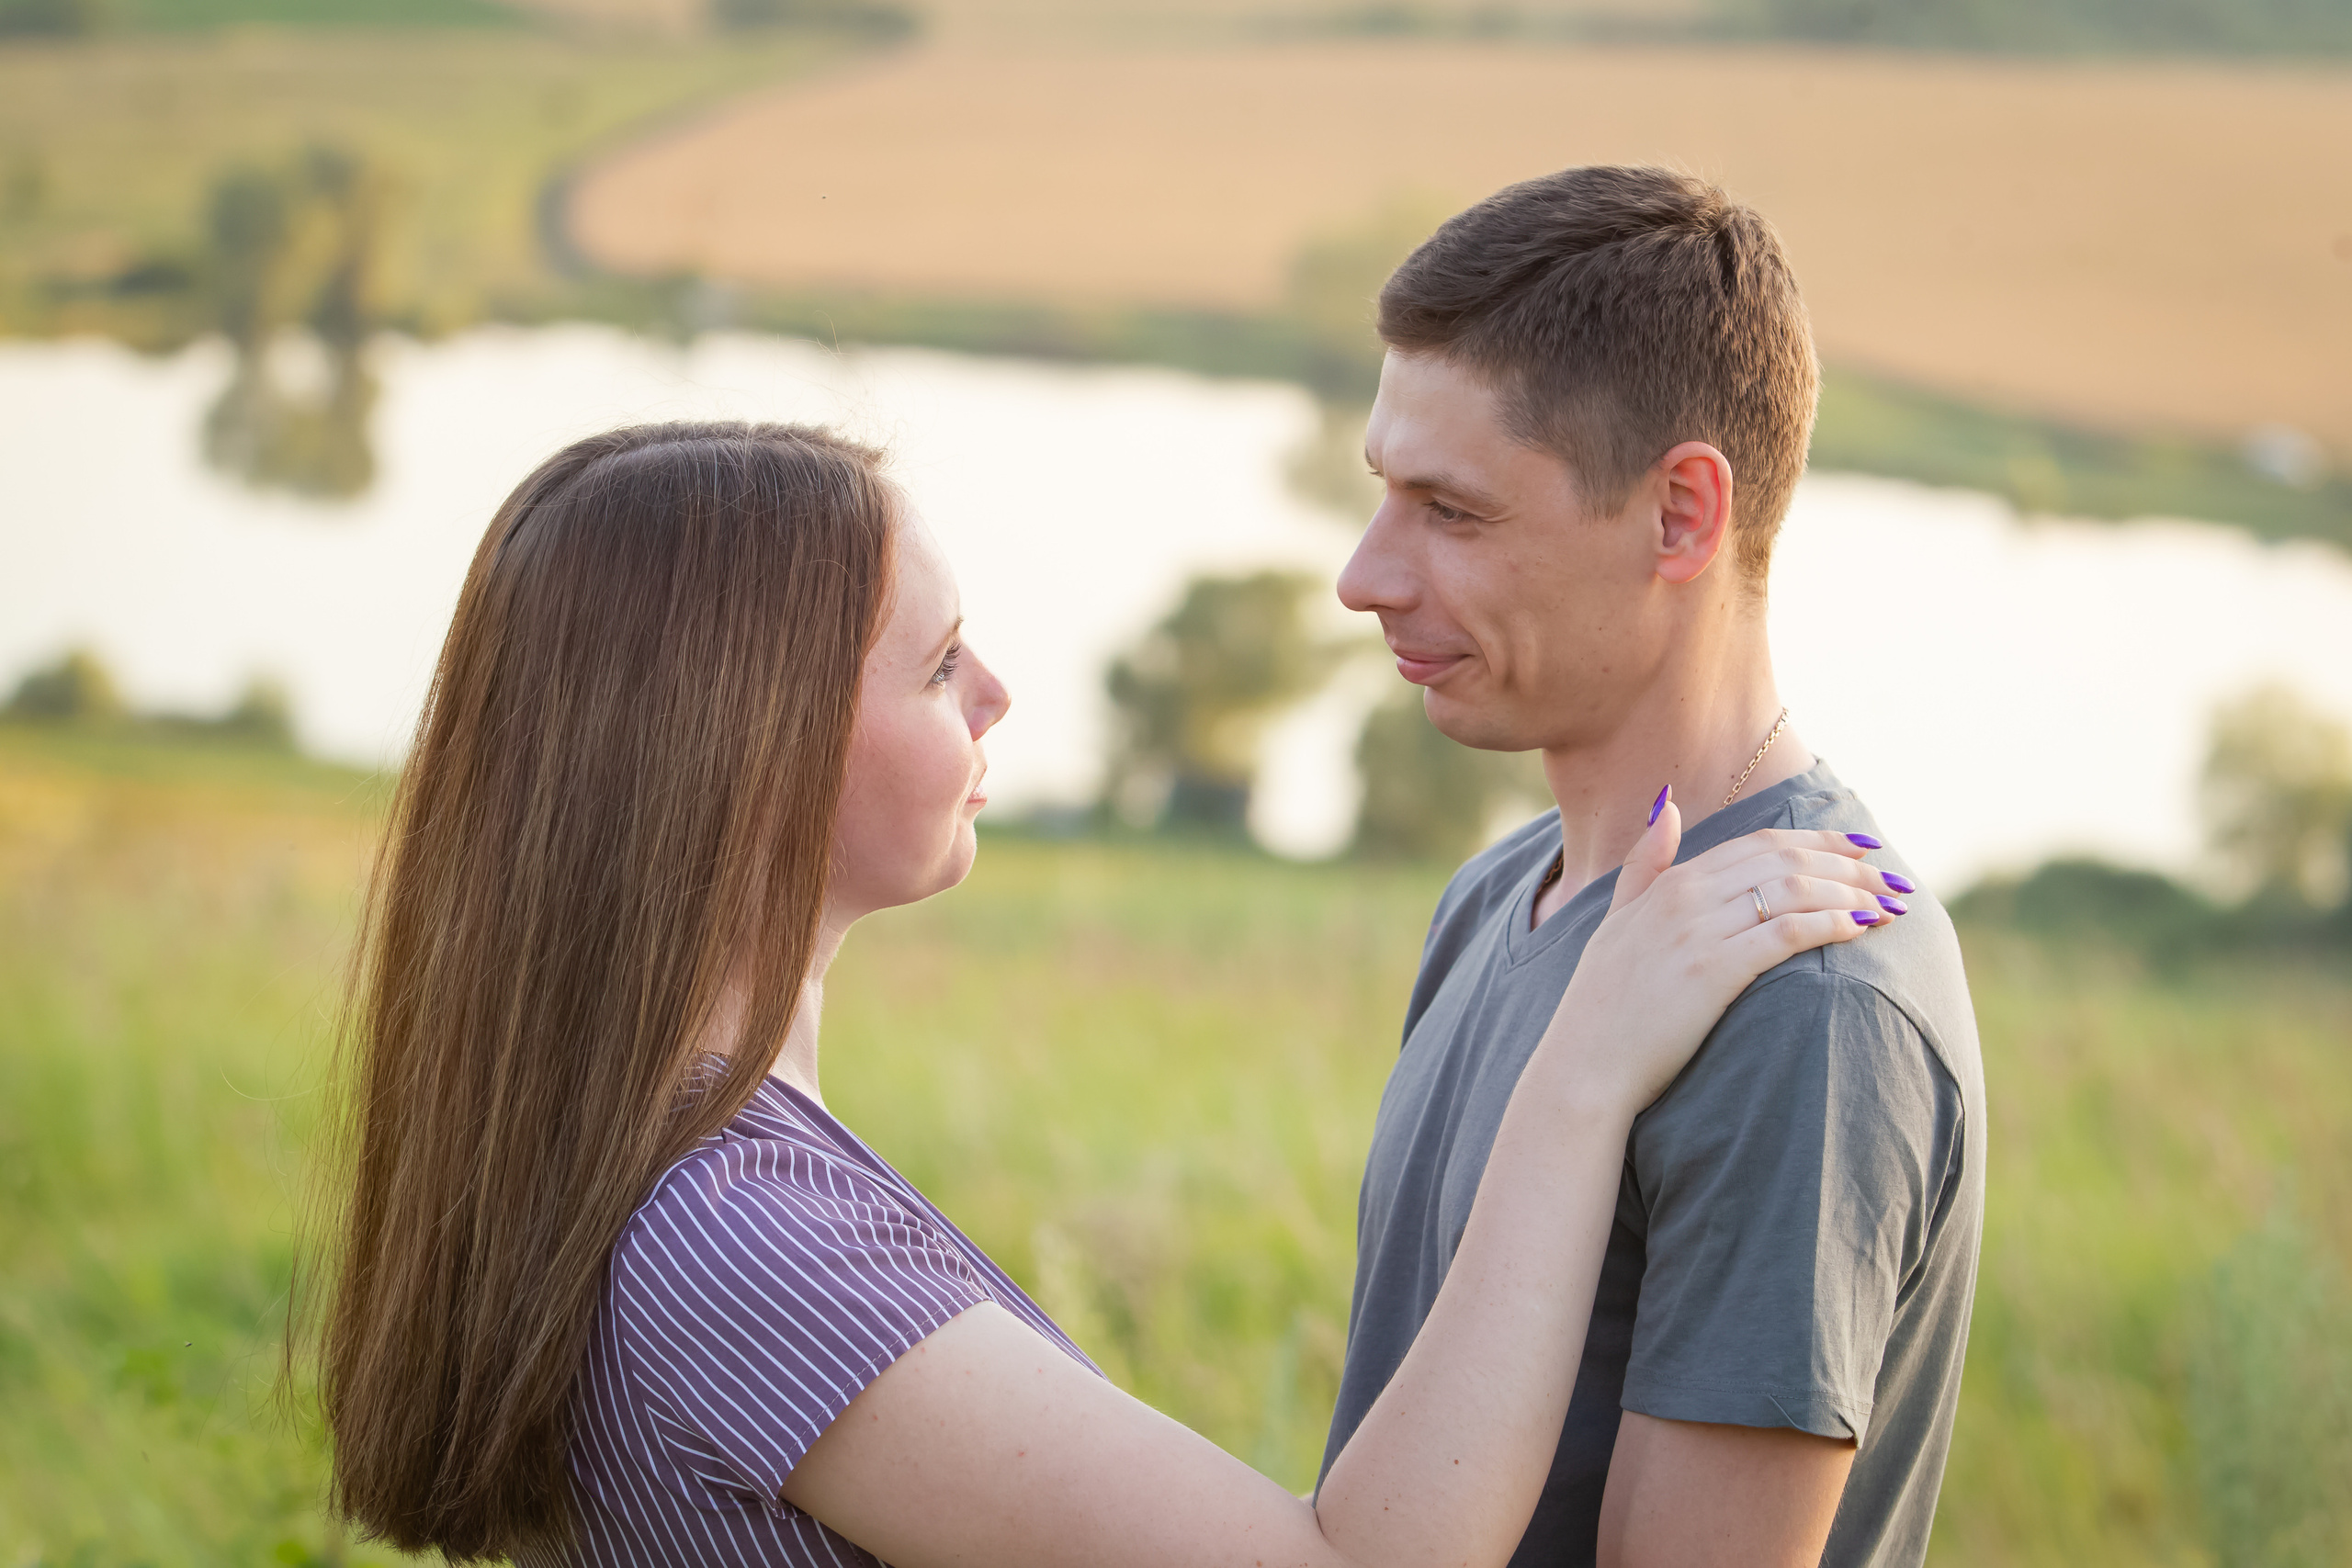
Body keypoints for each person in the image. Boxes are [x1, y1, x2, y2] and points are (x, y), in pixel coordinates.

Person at [311, 421, 1912, 1567]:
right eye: (940, 667)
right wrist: (1586, 1070)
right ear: (749, 756)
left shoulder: (692, 1167)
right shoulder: (747, 1245)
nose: (999, 693)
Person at [1320, 165, 1986, 1568]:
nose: (1365, 574)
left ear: (1682, 515)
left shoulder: (1809, 1004)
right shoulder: (1501, 894)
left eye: (1453, 511)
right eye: (1384, 491)